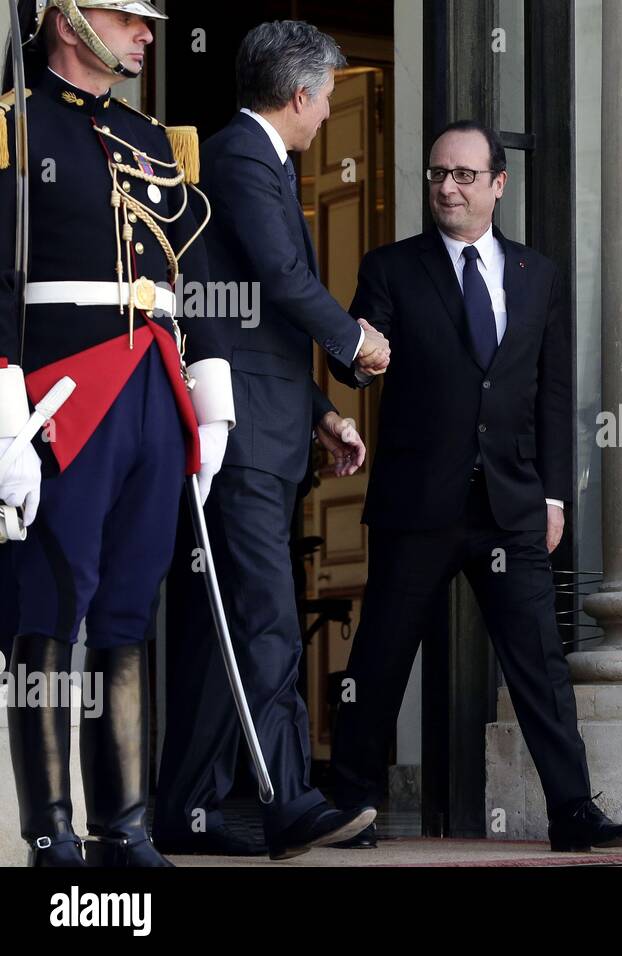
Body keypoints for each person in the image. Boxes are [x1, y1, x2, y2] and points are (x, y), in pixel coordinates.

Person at [328, 120, 622, 852]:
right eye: (438, 173)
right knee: (380, 658)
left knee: (539, 660)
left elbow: (553, 394)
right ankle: (350, 805)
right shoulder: (391, 267)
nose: (447, 186)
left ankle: (573, 812)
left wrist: (556, 497)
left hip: (510, 504)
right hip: (419, 501)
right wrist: (357, 360)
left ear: (498, 184)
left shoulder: (539, 275)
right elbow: (355, 355)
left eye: (465, 175)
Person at [0, 0, 231, 867]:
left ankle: (124, 826)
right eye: (126, 16)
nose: (146, 32)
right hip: (65, 392)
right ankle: (51, 832)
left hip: (153, 386)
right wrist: (4, 421)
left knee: (129, 613)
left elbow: (191, 274)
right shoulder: (13, 125)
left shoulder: (153, 136)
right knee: (50, 607)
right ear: (67, 18)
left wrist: (211, 406)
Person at [153, 20, 383, 861]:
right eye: (325, 96)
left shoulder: (256, 161)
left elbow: (255, 320)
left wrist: (322, 410)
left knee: (235, 627)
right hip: (240, 435)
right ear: (299, 95)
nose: (328, 113)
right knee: (266, 623)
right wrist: (355, 342)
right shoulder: (245, 158)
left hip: (266, 424)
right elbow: (286, 283)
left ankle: (190, 809)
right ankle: (289, 801)